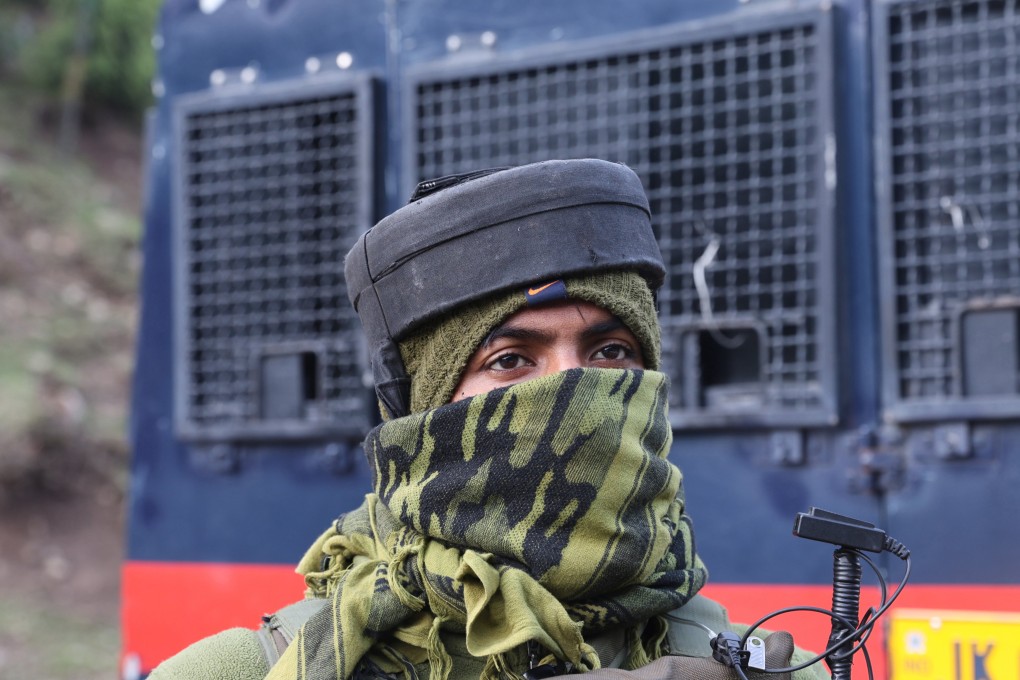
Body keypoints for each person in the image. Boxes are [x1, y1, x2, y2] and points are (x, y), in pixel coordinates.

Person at [150, 159, 828, 680]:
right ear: (424, 410)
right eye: (510, 360)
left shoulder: (763, 666)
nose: (575, 390)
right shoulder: (248, 669)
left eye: (611, 351)